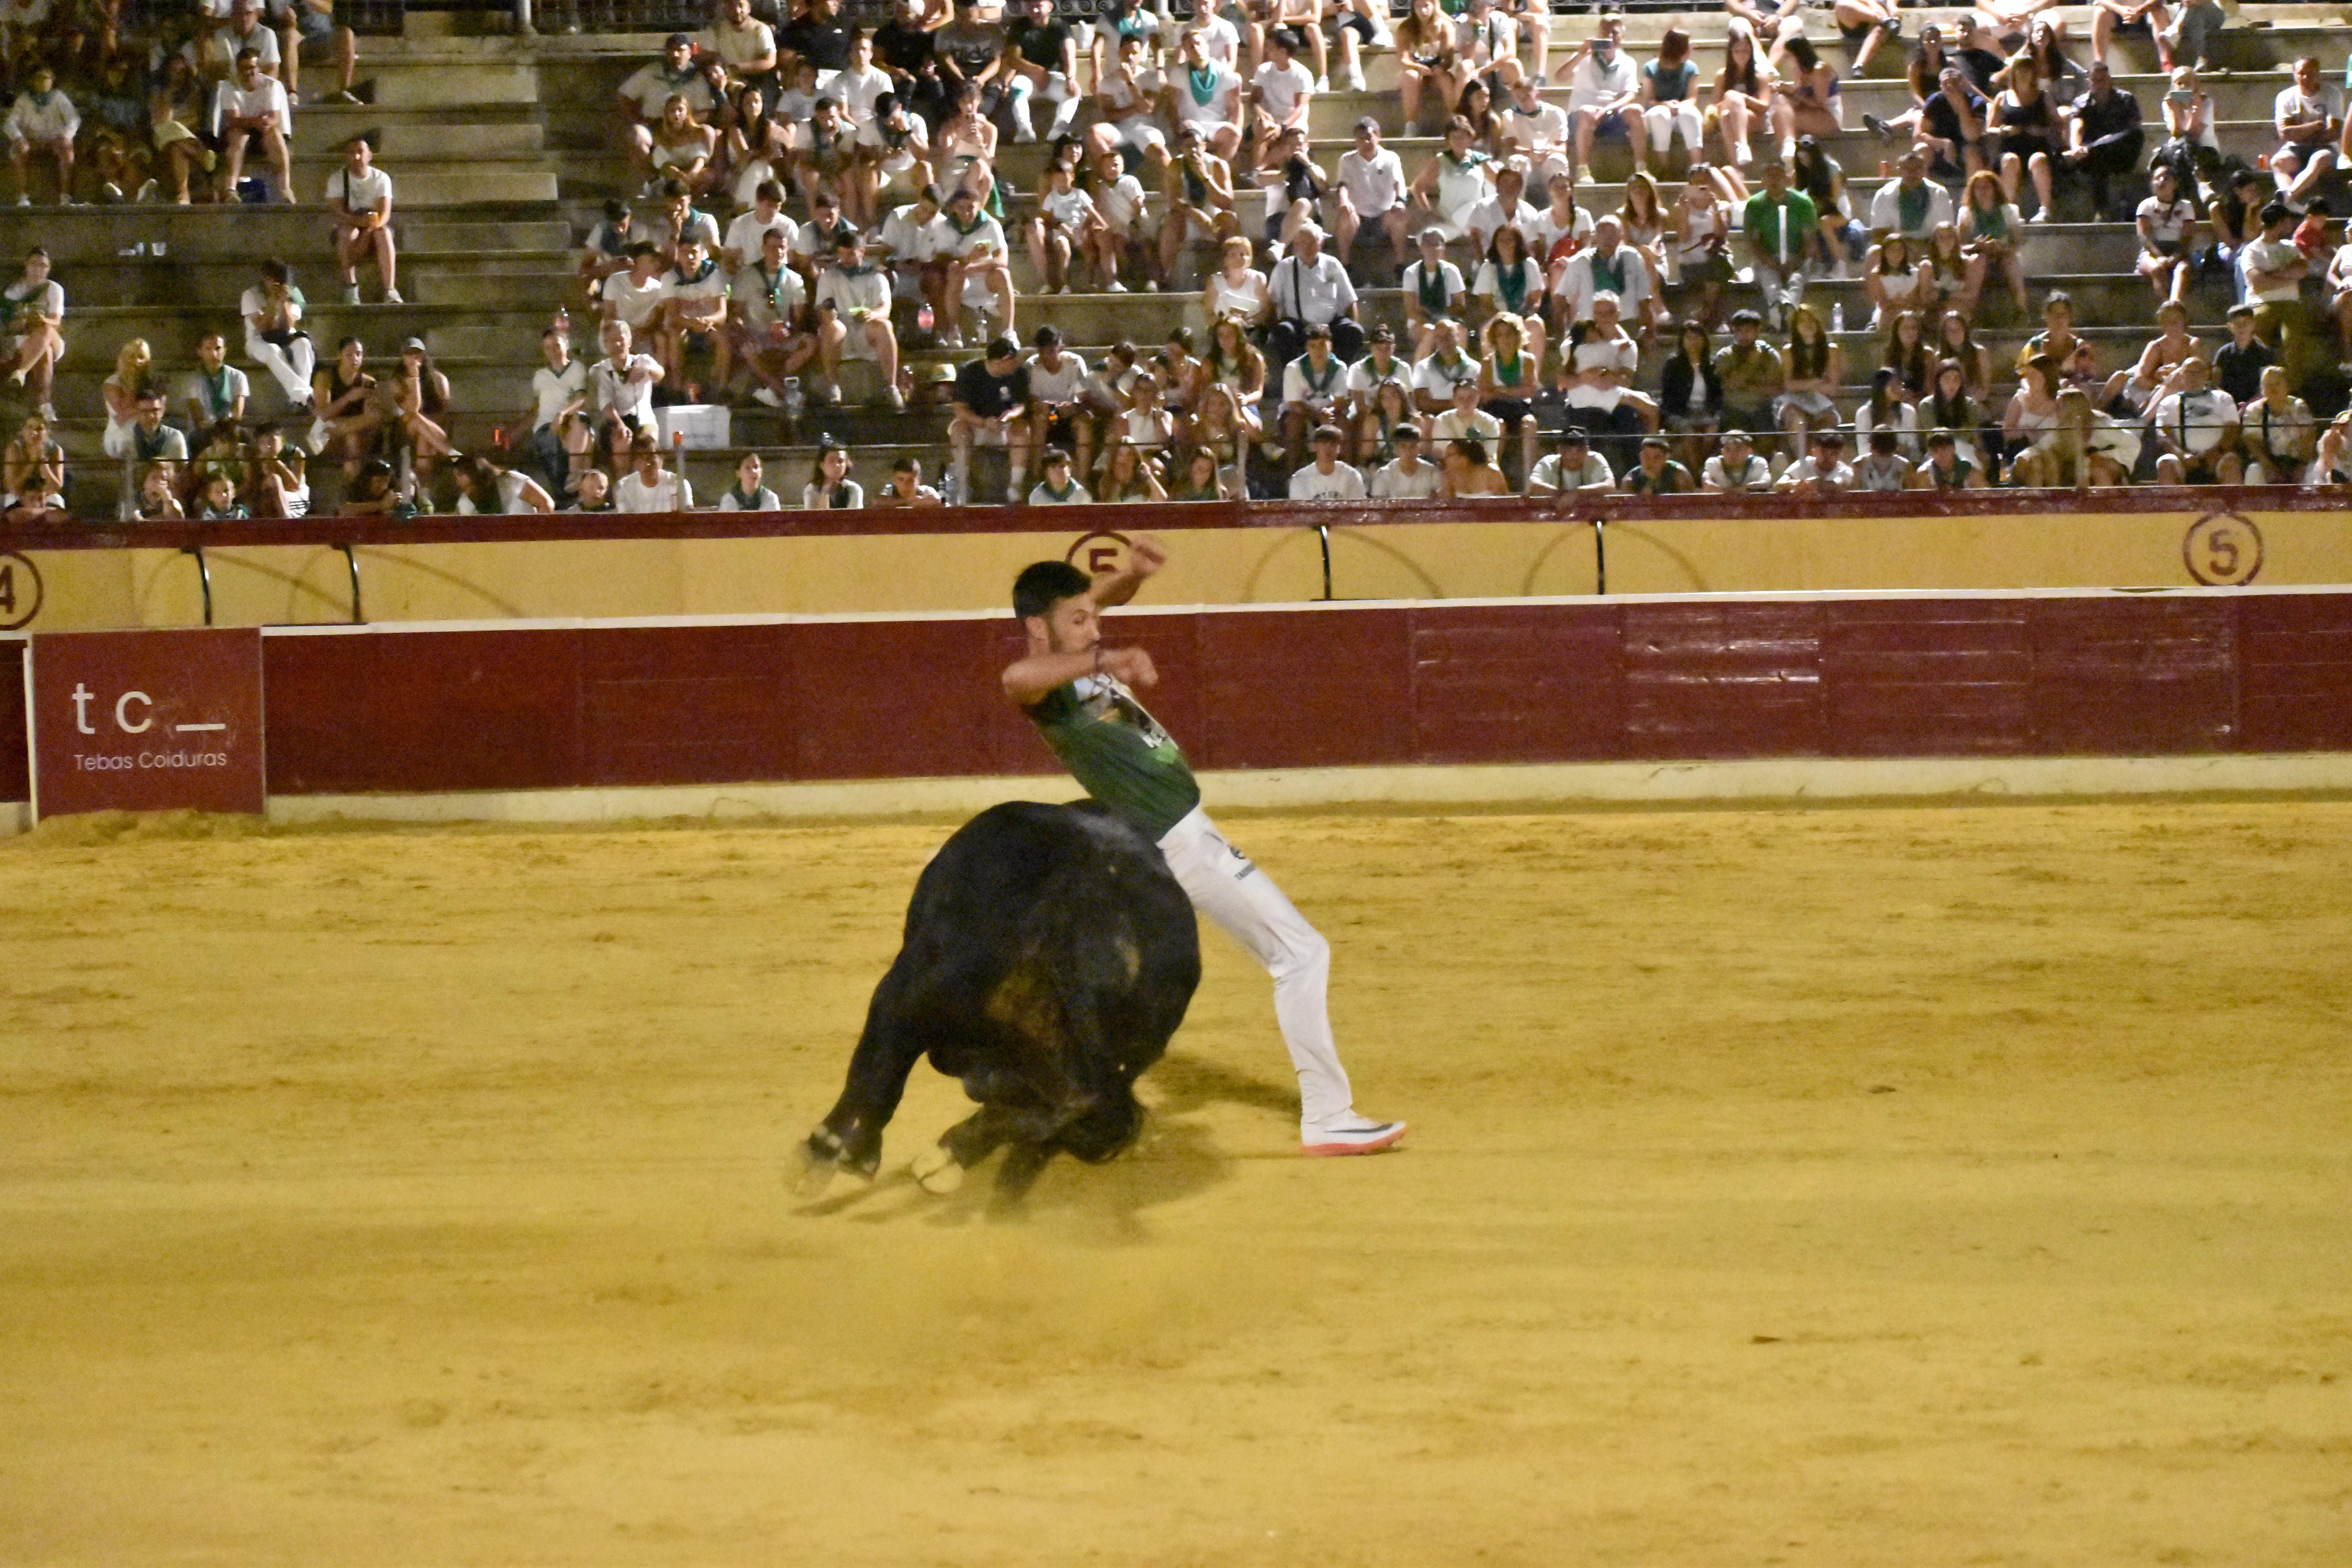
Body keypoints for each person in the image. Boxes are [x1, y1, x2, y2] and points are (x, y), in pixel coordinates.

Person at [1002, 546, 1403, 1155]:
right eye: (1079, 620)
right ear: (1038, 627)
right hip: (1178, 842)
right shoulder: (1045, 683)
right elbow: (1015, 679)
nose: (1095, 626)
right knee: (1301, 953)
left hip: (1176, 833)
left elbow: (1095, 603)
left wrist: (1130, 577)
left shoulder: (1071, 646)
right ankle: (1328, 1115)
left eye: (1093, 616)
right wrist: (1106, 655)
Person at [814, 228, 904, 410]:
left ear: (861, 252)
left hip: (866, 331)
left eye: (850, 254)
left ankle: (891, 388)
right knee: (833, 328)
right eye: (841, 254)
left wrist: (871, 315)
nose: (844, 259)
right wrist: (828, 314)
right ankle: (833, 387)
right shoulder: (829, 277)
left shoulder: (877, 277)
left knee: (884, 326)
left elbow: (885, 309)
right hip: (841, 335)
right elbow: (823, 309)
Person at [949, 335, 1032, 502]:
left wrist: (1010, 415)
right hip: (976, 424)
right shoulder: (969, 372)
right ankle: (962, 487)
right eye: (1013, 360)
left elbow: (1021, 405)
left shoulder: (1019, 373)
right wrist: (983, 422)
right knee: (959, 431)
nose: (1017, 363)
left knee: (1022, 429)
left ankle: (1015, 488)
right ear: (1004, 360)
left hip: (1004, 426)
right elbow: (960, 411)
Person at [1564, 11, 1644, 181]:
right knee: (1587, 112)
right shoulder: (1586, 56)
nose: (1609, 37)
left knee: (1636, 111)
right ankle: (1583, 170)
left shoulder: (1628, 62)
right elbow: (1560, 77)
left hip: (1610, 114)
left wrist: (1609, 109)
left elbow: (1631, 94)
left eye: (1614, 32)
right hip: (1581, 117)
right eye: (1604, 33)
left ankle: (1641, 169)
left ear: (1622, 36)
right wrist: (1579, 55)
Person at [324, 134, 400, 305]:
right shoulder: (338, 179)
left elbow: (385, 213)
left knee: (384, 234)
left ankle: (390, 290)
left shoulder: (381, 178)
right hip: (351, 223)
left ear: (369, 155)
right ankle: (350, 287)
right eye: (352, 153)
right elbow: (338, 213)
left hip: (373, 224)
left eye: (360, 152)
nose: (356, 157)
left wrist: (370, 229)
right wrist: (358, 223)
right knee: (346, 234)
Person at [2065, 61, 2143, 222]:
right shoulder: (2081, 103)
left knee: (2136, 135)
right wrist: (2076, 146)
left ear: (2110, 80)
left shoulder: (2126, 99)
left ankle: (2094, 150)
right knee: (2099, 160)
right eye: (2096, 81)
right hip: (2093, 158)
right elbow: (2077, 125)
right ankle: (2103, 210)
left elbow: (2132, 130)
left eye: (2103, 80)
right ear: (2089, 83)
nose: (2100, 85)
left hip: (2121, 154)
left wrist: (2094, 148)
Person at [213, 48, 294, 202]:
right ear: (238, 69)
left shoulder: (271, 86)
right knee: (239, 137)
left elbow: (274, 117)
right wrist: (258, 121)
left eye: (252, 68)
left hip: (262, 131)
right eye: (244, 68)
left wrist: (264, 123)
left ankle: (285, 188)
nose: (248, 72)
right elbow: (233, 120)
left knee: (275, 134)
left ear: (259, 68)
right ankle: (231, 189)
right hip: (240, 130)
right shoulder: (228, 87)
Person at [1742, 159, 1813, 328]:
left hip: (1797, 256)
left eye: (1778, 176)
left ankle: (1788, 308)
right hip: (1768, 258)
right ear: (1763, 181)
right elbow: (1753, 241)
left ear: (1787, 179)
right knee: (1769, 277)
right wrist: (1770, 261)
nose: (1774, 181)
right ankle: (1777, 307)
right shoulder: (1755, 205)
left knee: (1797, 278)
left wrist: (1796, 261)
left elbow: (1809, 239)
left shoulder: (1803, 203)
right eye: (1770, 176)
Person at [2150, 355, 2239, 484]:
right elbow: (2163, 436)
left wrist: (2217, 452)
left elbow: (2233, 429)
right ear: (2181, 375)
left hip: (2218, 456)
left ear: (2207, 375)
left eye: (2199, 372)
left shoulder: (2223, 398)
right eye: (2189, 372)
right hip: (2182, 459)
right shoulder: (2169, 403)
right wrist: (2182, 455)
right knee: (2166, 464)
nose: (2194, 376)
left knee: (2231, 463)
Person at [2269, 56, 2339, 212]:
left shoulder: (2332, 94)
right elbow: (2285, 134)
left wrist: (2299, 131)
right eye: (2302, 74)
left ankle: (2288, 196)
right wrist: (2316, 126)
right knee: (2278, 162)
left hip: (2324, 148)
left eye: (2311, 74)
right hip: (2296, 148)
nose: (2306, 78)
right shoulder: (2285, 97)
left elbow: (2333, 133)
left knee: (2320, 160)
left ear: (2319, 74)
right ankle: (2292, 203)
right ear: (2295, 74)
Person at [0, 245, 60, 420]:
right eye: (34, 264)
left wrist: (41, 320)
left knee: (47, 331)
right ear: (26, 266)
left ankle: (22, 372)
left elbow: (56, 321)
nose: (38, 269)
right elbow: (8, 325)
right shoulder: (13, 291)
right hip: (25, 341)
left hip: (50, 335)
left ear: (48, 269)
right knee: (44, 352)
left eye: (43, 266)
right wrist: (23, 323)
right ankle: (44, 405)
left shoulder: (53, 289)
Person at [4, 63, 76, 205]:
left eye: (46, 78)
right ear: (32, 81)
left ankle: (65, 197)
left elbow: (74, 119)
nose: (43, 82)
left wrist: (66, 136)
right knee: (18, 151)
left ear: (52, 80)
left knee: (67, 153)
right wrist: (18, 138)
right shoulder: (24, 100)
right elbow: (10, 123)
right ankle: (23, 197)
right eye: (39, 78)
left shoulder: (59, 98)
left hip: (55, 140)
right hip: (32, 140)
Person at [2137, 163, 2204, 310]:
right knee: (2157, 270)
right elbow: (2144, 235)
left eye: (2166, 178)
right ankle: (2167, 310)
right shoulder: (2146, 206)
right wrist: (2158, 255)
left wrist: (2176, 256)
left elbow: (2188, 236)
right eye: (2157, 178)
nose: (2162, 182)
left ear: (2175, 184)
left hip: (2178, 250)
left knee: (2183, 270)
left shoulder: (2186, 206)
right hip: (2152, 251)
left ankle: (2177, 307)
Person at [1711, 309, 1784, 443]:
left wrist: (1746, 386)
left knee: (1768, 441)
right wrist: (1753, 360)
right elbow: (1731, 385)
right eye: (1740, 331)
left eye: (1748, 331)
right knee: (1736, 442)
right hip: (1734, 410)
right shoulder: (1725, 355)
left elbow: (1777, 389)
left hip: (1763, 409)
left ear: (1757, 331)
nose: (1744, 336)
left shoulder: (1770, 355)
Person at [1774, 304, 1841, 444]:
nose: (1808, 325)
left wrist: (1802, 385)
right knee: (1798, 424)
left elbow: (1832, 389)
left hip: (1822, 403)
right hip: (1794, 401)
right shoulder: (1789, 352)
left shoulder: (1831, 351)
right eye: (1802, 321)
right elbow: (1789, 386)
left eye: (1811, 320)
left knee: (1826, 426)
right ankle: (1802, 463)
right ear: (1796, 327)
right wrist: (1817, 381)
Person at [2238, 364, 2314, 485]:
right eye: (2268, 385)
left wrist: (2302, 466)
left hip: (2297, 462)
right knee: (2254, 472)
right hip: (2268, 462)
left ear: (2286, 386)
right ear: (2263, 389)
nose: (2273, 389)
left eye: (2277, 384)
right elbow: (2250, 440)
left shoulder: (2298, 406)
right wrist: (2267, 466)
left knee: (2312, 474)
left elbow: (2309, 437)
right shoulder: (2255, 410)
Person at [183, 331, 250, 461]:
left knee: (246, 437)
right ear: (200, 352)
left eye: (218, 348)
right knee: (198, 438)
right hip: (206, 429)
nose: (214, 354)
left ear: (225, 350)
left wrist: (226, 428)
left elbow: (238, 413)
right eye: (208, 349)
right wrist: (213, 429)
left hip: (229, 427)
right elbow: (197, 415)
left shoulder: (238, 377)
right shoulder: (192, 379)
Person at [1868, 147, 1955, 241]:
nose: (1912, 173)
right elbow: (1878, 234)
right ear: (1899, 171)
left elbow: (1946, 232)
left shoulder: (1940, 193)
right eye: (1907, 169)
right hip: (1896, 250)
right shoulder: (1884, 195)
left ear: (1925, 170)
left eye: (1917, 169)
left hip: (1932, 248)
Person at [452, 453, 555, 515]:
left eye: (461, 474)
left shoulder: (512, 481)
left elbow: (545, 504)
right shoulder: (465, 504)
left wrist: (536, 536)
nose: (458, 480)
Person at [615, 434, 694, 511]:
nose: (648, 463)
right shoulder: (624, 487)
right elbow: (627, 521)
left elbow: (688, 519)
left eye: (651, 456)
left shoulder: (679, 484)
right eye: (642, 458)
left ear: (661, 459)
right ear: (634, 462)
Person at [1526, 427, 1611, 498]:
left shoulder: (1595, 460)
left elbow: (1610, 486)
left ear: (1587, 450)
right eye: (1568, 450)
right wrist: (1563, 496)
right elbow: (1533, 486)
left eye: (1579, 450)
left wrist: (1576, 494)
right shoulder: (1548, 463)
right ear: (1559, 450)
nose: (1574, 456)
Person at [1288, 423, 1365, 499]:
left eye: (1333, 444)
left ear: (1339, 448)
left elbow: (1357, 508)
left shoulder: (1352, 476)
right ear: (1315, 446)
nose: (1328, 448)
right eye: (1324, 443)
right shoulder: (1301, 479)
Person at [1370, 423, 1442, 499]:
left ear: (1419, 447)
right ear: (1395, 448)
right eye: (1403, 446)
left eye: (1413, 446)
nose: (1408, 451)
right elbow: (1379, 505)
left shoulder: (1431, 472)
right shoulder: (1384, 475)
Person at [1775, 426, 1853, 494]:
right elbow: (1778, 486)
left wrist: (1817, 484)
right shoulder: (1802, 464)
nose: (1828, 457)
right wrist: (1797, 484)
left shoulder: (1845, 471)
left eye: (1834, 453)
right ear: (1814, 451)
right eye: (1824, 452)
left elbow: (1838, 485)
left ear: (1841, 455)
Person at [1701, 426, 1772, 492]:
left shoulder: (1758, 463)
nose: (1733, 454)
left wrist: (1730, 492)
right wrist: (1741, 491)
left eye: (1738, 449)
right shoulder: (1714, 463)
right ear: (1722, 451)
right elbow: (1707, 485)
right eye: (1728, 449)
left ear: (1749, 451)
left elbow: (1766, 483)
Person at [1620, 435, 1696, 495]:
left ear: (1666, 459)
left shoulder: (1679, 475)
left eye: (1657, 457)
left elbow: (1689, 505)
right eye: (1647, 457)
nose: (1651, 461)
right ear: (1641, 456)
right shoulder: (1630, 481)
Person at [1439, 434, 1512, 496]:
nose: (1445, 459)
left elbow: (1504, 506)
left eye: (1450, 455)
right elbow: (1448, 507)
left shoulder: (1492, 474)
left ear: (1464, 458)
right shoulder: (1449, 477)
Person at [712, 451, 781, 511]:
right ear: (738, 473)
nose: (754, 471)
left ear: (761, 472)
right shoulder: (729, 500)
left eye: (756, 467)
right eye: (748, 468)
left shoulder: (770, 498)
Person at [873, 454, 945, 507]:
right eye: (901, 480)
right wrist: (908, 501)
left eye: (910, 481)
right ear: (894, 480)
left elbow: (937, 500)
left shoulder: (925, 490)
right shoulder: (889, 490)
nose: (905, 485)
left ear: (919, 481)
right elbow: (876, 502)